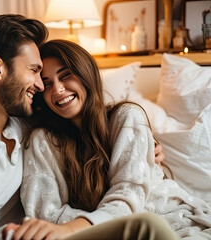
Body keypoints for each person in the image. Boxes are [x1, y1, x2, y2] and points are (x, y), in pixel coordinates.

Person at [0, 14, 169, 240]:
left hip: (51, 232)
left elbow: (88, 129)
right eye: (34, 71)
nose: (42, 87)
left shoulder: (25, 123)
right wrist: (22, 233)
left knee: (152, 226)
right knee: (147, 227)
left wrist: (146, 149)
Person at [19, 39, 211, 239]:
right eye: (47, 83)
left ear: (86, 74)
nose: (58, 89)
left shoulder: (127, 117)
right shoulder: (42, 140)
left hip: (174, 225)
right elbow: (44, 215)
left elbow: (129, 196)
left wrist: (72, 226)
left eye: (66, 75)